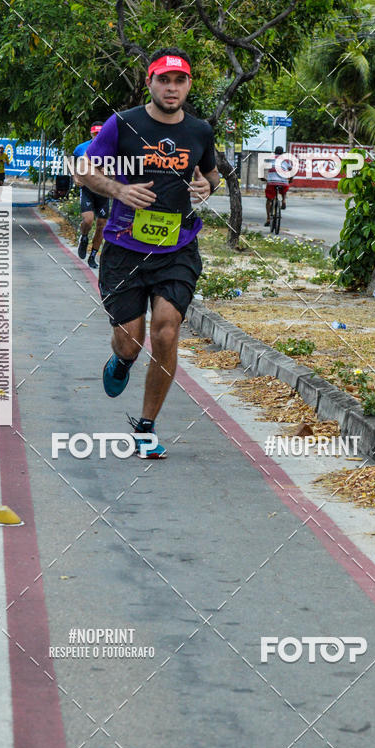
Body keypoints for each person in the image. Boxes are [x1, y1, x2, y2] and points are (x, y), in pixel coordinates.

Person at [76, 48, 220, 459]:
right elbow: (84, 170)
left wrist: (207, 188)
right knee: (130, 343)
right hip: (123, 249)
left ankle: (146, 426)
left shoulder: (199, 132)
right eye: (164, 80)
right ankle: (121, 361)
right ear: (150, 83)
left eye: (180, 81)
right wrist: (120, 190)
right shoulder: (124, 125)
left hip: (177, 247)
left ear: (189, 85)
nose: (171, 88)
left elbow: (211, 175)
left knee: (167, 330)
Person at [72, 124, 109, 269]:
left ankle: (93, 256)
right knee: (88, 220)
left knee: (101, 225)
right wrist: (75, 178)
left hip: (103, 191)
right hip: (87, 189)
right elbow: (73, 165)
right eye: (95, 133)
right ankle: (84, 237)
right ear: (91, 133)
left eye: (100, 133)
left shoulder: (110, 148)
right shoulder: (81, 148)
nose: (97, 136)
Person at [265, 145, 291, 226]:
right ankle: (283, 200)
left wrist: (262, 178)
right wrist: (291, 179)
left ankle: (268, 218)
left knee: (269, 200)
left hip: (272, 181)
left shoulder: (271, 157)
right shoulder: (286, 159)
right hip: (283, 181)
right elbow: (291, 169)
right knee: (284, 187)